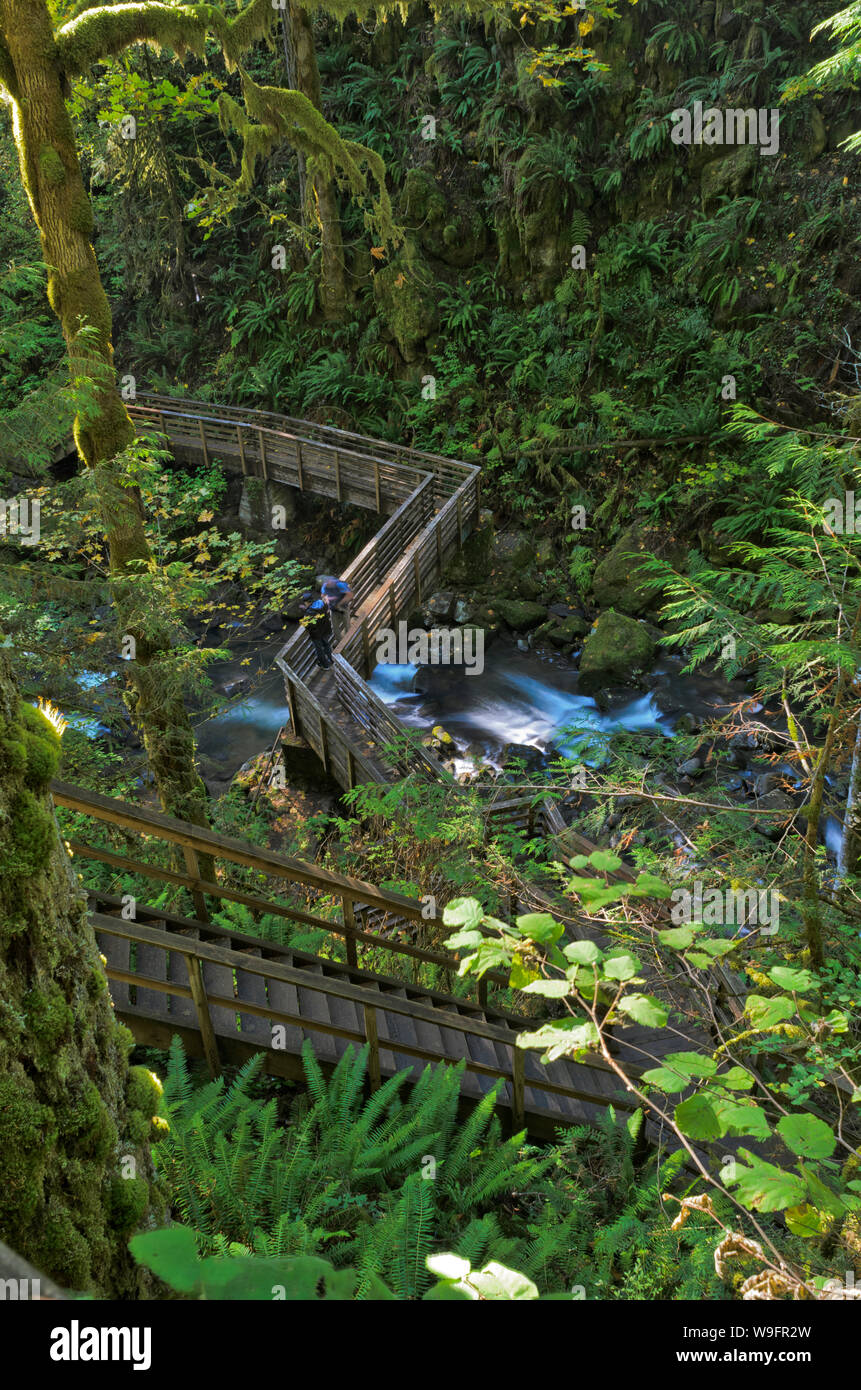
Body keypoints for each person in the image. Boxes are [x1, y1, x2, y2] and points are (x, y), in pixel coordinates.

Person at [297, 589, 334, 669]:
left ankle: (325, 665)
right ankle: (331, 660)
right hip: (325, 629)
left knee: (319, 649)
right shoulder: (321, 603)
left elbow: (308, 625)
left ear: (307, 602)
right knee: (326, 644)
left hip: (316, 634)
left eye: (305, 602)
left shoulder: (309, 612)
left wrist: (304, 619)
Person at [321, 575, 354, 643]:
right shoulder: (324, 586)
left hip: (343, 608)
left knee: (347, 625)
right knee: (334, 628)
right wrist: (327, 600)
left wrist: (339, 603)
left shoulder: (339, 585)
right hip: (333, 610)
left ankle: (350, 642)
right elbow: (323, 595)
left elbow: (350, 595)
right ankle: (340, 642)